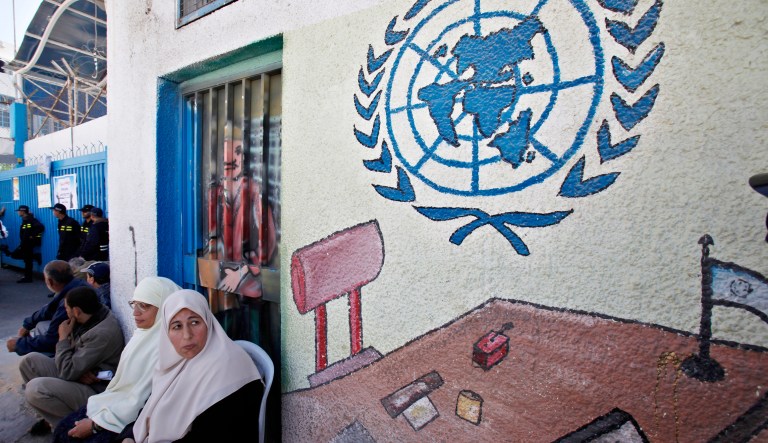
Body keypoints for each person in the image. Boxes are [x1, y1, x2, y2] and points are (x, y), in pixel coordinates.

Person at [52, 277, 182, 443]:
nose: (135, 313)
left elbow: (147, 400)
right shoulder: (142, 335)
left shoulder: (171, 347)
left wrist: (96, 425)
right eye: (134, 304)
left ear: (165, 306)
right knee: (62, 430)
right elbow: (127, 380)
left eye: (145, 306)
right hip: (114, 402)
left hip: (131, 419)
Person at [131, 289, 263, 442]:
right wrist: (129, 437)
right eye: (177, 326)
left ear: (208, 322)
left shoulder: (228, 368)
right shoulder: (176, 365)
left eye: (194, 322)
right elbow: (149, 410)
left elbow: (214, 435)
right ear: (166, 333)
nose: (187, 335)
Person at [20, 286, 125, 435]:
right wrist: (78, 370)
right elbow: (72, 365)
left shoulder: (101, 333)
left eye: (67, 308)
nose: (66, 311)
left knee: (35, 389)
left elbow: (66, 372)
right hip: (80, 374)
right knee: (29, 361)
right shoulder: (89, 316)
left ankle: (67, 428)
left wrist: (63, 338)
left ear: (76, 311)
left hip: (96, 391)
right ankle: (49, 417)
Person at [6, 260, 88, 356]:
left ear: (49, 281)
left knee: (31, 359)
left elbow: (51, 340)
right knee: (41, 325)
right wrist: (28, 324)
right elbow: (49, 309)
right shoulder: (77, 284)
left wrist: (18, 344)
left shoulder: (68, 301)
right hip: (80, 335)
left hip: (79, 344)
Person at [11, 205, 44, 283]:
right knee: (15, 255)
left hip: (28, 244)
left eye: (19, 211)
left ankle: (28, 278)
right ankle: (35, 256)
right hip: (24, 243)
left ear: (22, 211)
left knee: (27, 261)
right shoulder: (25, 220)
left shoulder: (31, 220)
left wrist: (32, 236)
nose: (18, 212)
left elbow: (41, 227)